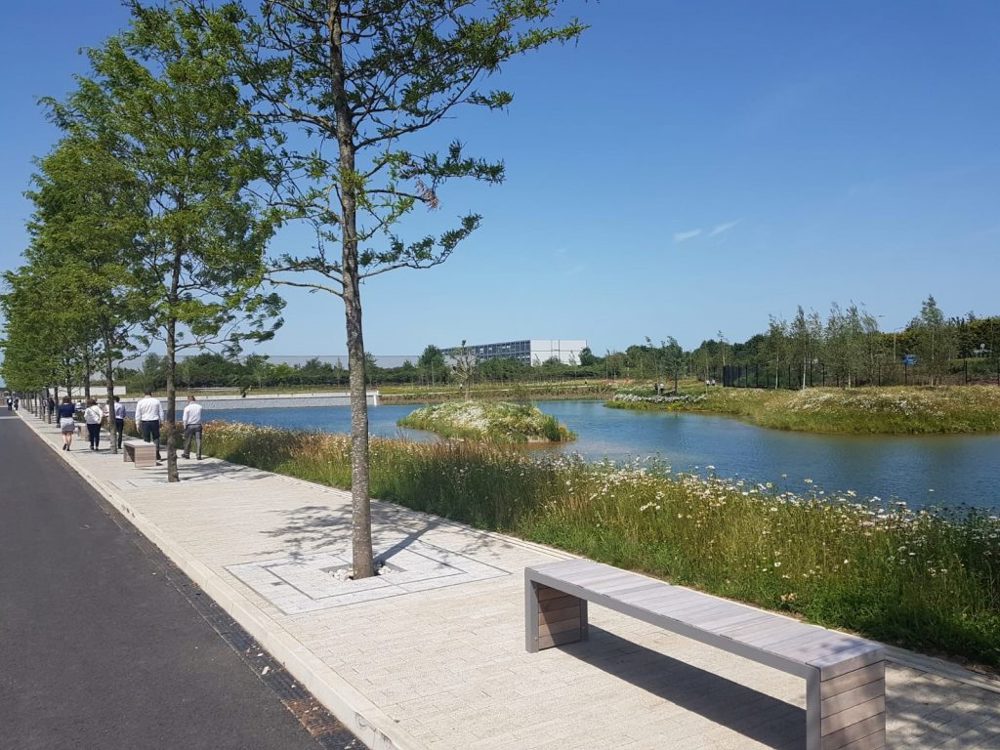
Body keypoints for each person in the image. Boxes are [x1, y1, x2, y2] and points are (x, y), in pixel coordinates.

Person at [134, 390, 164, 461]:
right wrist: (162, 421)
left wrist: (137, 423)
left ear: (144, 394)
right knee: (156, 437)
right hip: (154, 420)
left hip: (145, 421)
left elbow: (138, 414)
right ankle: (157, 453)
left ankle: (147, 454)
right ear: (151, 394)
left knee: (146, 438)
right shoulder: (156, 401)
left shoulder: (140, 402)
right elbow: (161, 412)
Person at [181, 394, 203, 460]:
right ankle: (198, 455)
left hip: (190, 425)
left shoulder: (187, 408)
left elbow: (185, 419)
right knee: (198, 440)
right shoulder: (199, 407)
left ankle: (187, 454)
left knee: (188, 441)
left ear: (188, 400)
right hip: (198, 425)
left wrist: (184, 426)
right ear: (194, 399)